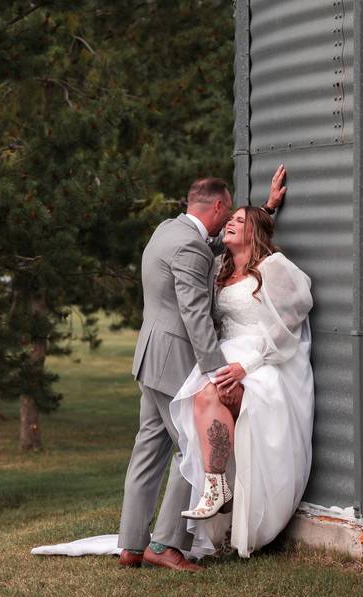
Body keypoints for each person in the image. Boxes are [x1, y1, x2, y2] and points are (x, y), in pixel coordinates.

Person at [116, 167, 287, 572]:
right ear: (217, 205)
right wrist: (215, 371)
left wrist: (265, 210)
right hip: (174, 360)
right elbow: (195, 315)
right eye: (228, 215)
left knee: (149, 451)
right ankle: (165, 543)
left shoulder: (167, 231)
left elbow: (218, 250)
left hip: (149, 358)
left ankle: (131, 544)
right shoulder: (191, 248)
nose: (228, 223)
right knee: (194, 447)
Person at [170, 206, 313, 558]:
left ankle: (218, 489)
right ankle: (217, 487)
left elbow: (293, 320)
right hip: (225, 354)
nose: (230, 224)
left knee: (207, 394)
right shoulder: (221, 268)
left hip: (262, 360)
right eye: (228, 219)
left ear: (255, 231)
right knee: (204, 397)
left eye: (239, 221)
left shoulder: (272, 267)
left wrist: (246, 366)